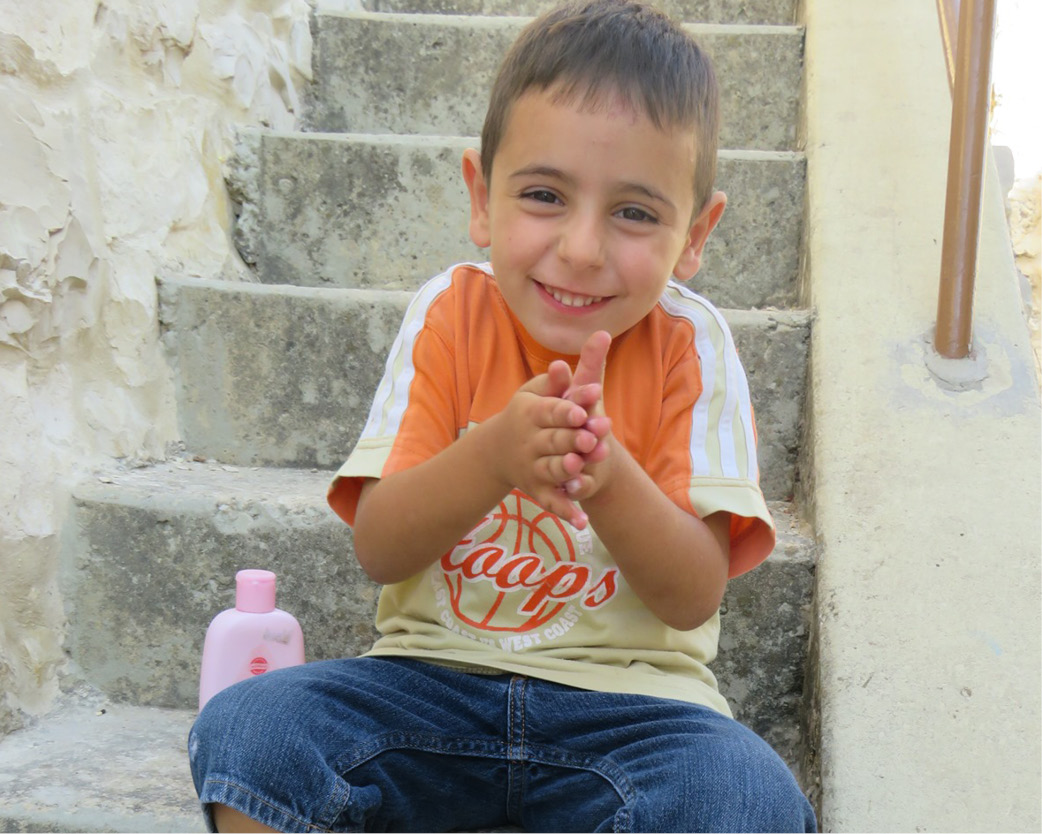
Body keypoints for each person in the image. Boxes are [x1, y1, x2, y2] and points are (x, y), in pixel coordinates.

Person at [188, 0, 817, 830]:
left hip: (635, 715)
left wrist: (608, 477)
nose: (583, 248)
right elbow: (381, 547)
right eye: (545, 195)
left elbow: (693, 594)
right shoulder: (449, 314)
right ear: (482, 198)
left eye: (634, 212)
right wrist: (491, 457)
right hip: (424, 691)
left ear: (695, 235)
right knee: (250, 729)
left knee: (745, 794)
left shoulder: (690, 347)